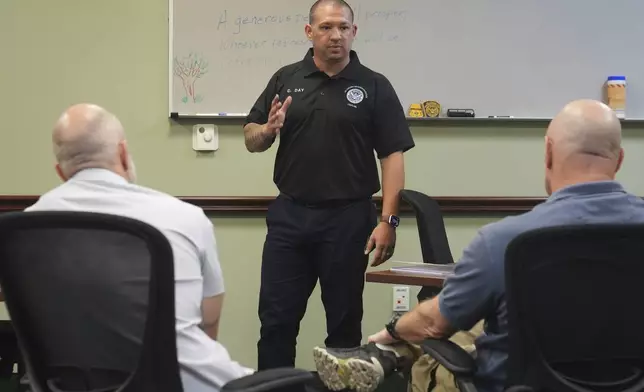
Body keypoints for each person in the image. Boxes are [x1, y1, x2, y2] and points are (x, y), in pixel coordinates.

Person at [312, 99, 644, 392]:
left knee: (439, 345)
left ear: (548, 152)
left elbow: (434, 323)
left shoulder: (505, 241)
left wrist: (392, 331)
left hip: (517, 384)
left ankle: (385, 354)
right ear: (619, 159)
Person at [25, 103, 254, 392]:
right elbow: (209, 322)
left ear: (60, 172)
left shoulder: (27, 227)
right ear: (122, 153)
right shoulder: (184, 218)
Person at [243, 0, 415, 370]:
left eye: (342, 27)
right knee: (276, 322)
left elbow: (393, 157)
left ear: (354, 32)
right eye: (325, 27)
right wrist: (269, 130)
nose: (335, 35)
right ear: (310, 32)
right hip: (290, 217)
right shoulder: (286, 78)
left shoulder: (375, 85)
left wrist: (389, 221)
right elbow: (251, 137)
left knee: (344, 326)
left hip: (349, 220)